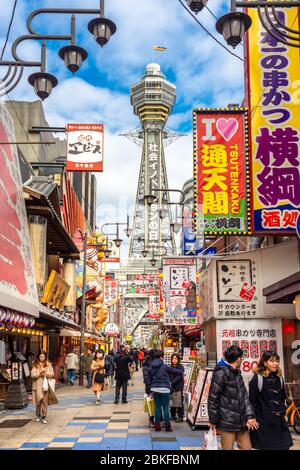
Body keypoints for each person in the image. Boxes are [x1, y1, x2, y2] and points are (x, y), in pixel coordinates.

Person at [208, 345, 259, 450]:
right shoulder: (221, 372)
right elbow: (213, 397)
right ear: (239, 359)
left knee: (246, 448)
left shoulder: (237, 373)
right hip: (226, 422)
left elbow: (244, 396)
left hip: (241, 421)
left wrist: (250, 416)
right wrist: (213, 420)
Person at [249, 350, 293, 450]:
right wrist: (252, 417)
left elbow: (282, 397)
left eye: (277, 361)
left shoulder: (279, 378)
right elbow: (252, 401)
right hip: (264, 424)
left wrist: (283, 412)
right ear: (265, 362)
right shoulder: (257, 379)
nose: (275, 364)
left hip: (280, 423)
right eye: (272, 361)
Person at [148, 349, 183, 432]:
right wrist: (181, 372)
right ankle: (167, 426)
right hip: (165, 389)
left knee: (157, 407)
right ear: (161, 357)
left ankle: (157, 426)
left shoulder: (150, 368)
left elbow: (148, 380)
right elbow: (174, 370)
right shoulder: (164, 366)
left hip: (155, 389)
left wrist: (152, 387)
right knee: (165, 407)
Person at [31, 350, 58, 424]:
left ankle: (44, 416)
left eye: (43, 356)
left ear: (45, 357)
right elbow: (32, 375)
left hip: (45, 385)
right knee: (38, 402)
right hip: (37, 385)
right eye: (40, 356)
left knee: (44, 402)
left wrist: (46, 373)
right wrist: (39, 373)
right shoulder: (35, 364)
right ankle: (38, 415)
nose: (41, 358)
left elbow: (52, 374)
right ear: (38, 357)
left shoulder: (48, 364)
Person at [169, 353, 185, 423]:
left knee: (179, 401)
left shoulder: (180, 367)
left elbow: (180, 377)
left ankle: (180, 416)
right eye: (173, 358)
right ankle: (173, 415)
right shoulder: (169, 367)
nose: (174, 360)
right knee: (172, 400)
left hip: (178, 386)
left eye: (175, 358)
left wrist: (172, 382)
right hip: (171, 387)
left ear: (178, 359)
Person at [142, 350, 155, 428]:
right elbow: (146, 377)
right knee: (151, 403)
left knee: (152, 403)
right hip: (151, 387)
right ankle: (151, 419)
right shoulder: (148, 365)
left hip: (150, 387)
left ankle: (153, 419)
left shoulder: (146, 365)